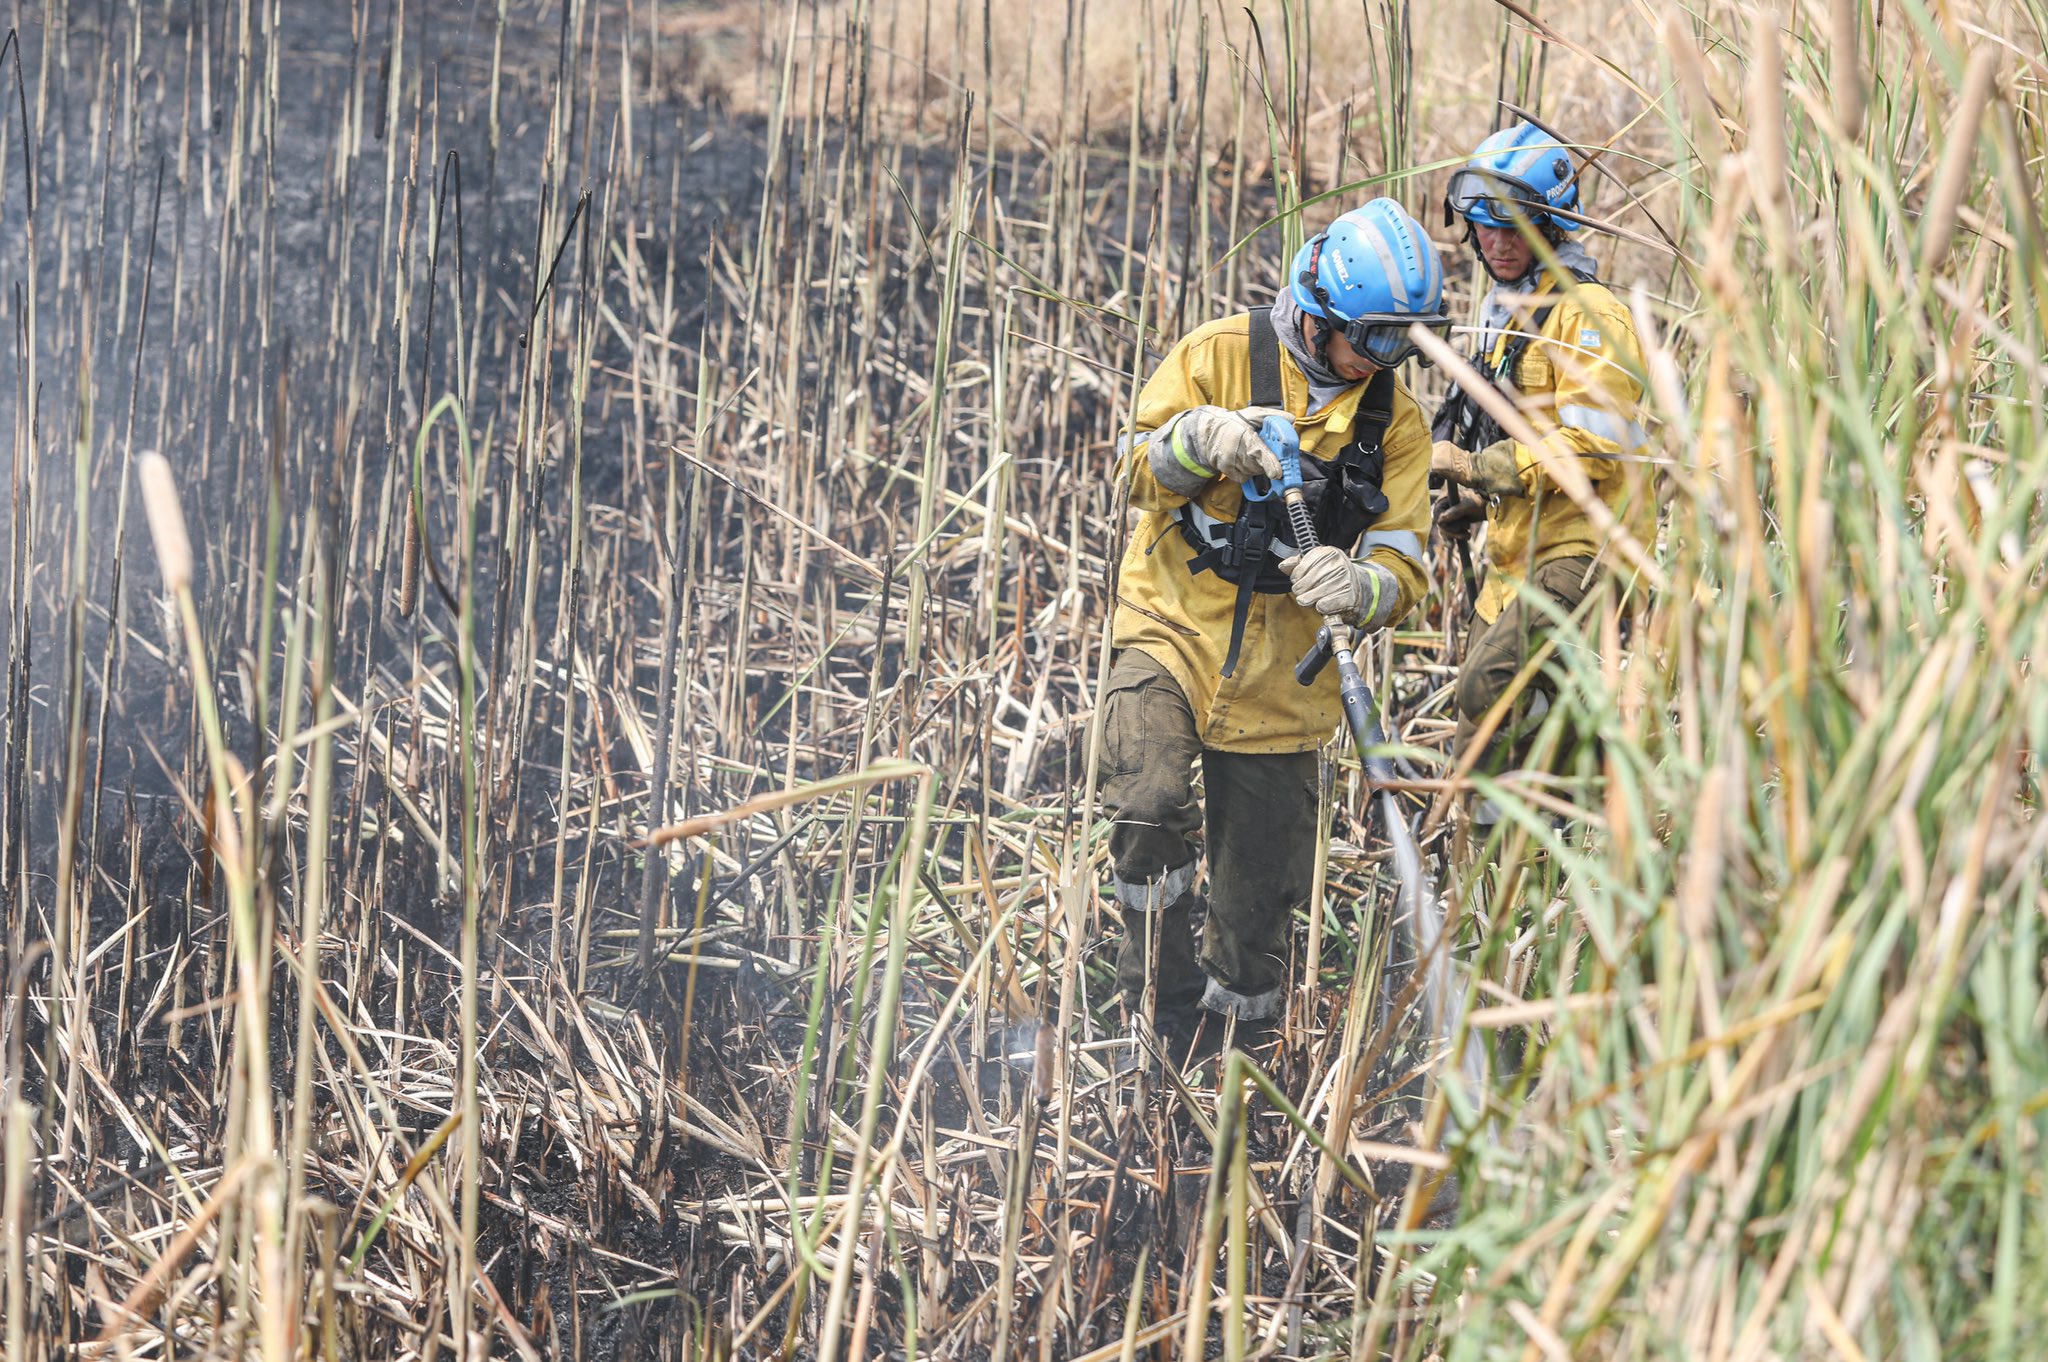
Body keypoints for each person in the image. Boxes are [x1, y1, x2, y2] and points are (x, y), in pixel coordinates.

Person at [1103, 198, 1446, 1060]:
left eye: (1403, 341)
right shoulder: (1219, 354)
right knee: (1145, 805)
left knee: (1257, 913)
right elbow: (1132, 476)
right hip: (1171, 626)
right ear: (1318, 311)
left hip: (1287, 679)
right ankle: (1154, 1005)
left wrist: (1359, 584)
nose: (1386, 359)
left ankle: (1229, 1068)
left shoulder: (1394, 424)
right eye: (1372, 339)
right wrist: (1199, 437)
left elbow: (1405, 568)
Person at [1429, 121, 1654, 812]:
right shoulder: (1513, 308)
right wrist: (1484, 503)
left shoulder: (1590, 314)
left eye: (1511, 228)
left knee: (1488, 691)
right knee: (1479, 740)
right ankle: (1499, 887)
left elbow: (1594, 442)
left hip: (1585, 547)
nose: (1494, 243)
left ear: (1550, 226)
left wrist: (1480, 468)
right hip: (1519, 549)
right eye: (1481, 227)